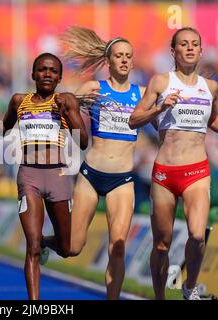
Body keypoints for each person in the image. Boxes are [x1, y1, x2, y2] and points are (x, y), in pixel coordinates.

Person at [128, 27, 218, 300]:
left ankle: (190, 286)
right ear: (174, 51)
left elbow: (213, 120)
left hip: (197, 171)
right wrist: (160, 107)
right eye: (184, 44)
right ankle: (159, 297)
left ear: (201, 51)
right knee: (161, 246)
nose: (190, 48)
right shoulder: (160, 82)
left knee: (197, 235)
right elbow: (134, 119)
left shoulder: (211, 87)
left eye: (195, 44)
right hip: (165, 172)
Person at [41, 26, 146, 300]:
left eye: (128, 56)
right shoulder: (94, 89)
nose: (124, 60)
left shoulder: (143, 93)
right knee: (73, 247)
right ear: (108, 61)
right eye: (119, 55)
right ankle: (47, 241)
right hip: (90, 175)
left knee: (119, 246)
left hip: (122, 179)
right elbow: (63, 105)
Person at [3, 52, 88, 300]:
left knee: (66, 247)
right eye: (42, 69)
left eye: (52, 70)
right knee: (31, 248)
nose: (47, 74)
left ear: (60, 77)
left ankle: (46, 242)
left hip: (58, 175)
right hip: (28, 175)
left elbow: (82, 142)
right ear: (33, 74)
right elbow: (5, 124)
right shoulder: (19, 101)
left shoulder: (67, 100)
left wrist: (68, 113)